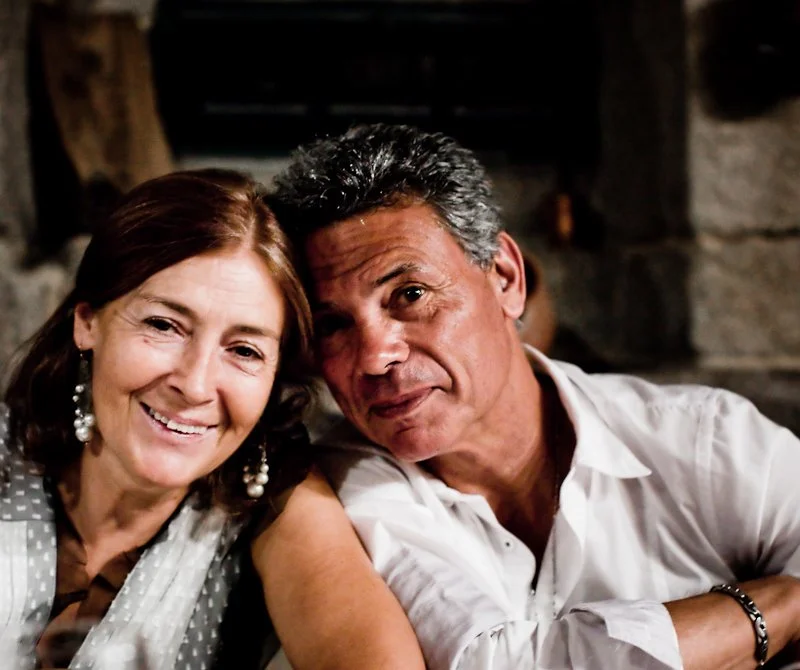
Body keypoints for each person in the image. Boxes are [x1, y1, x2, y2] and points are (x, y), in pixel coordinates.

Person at [269, 122, 800, 669]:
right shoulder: (343, 491)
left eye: (410, 294)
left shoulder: (707, 437)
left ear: (505, 278)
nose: (375, 356)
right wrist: (775, 607)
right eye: (332, 324)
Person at [0, 169, 425, 670]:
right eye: (163, 325)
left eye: (244, 350)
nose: (195, 385)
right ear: (88, 322)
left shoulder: (274, 501)